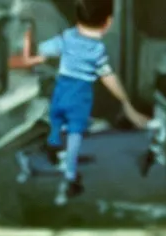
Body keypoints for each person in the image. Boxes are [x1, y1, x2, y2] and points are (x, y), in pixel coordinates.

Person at [22, 0, 148, 205]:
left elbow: (37, 53)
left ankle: (49, 158)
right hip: (77, 98)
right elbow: (109, 78)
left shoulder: (66, 37)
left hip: (62, 93)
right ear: (108, 22)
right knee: (75, 139)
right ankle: (67, 179)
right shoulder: (95, 50)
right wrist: (126, 104)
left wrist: (30, 50)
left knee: (64, 130)